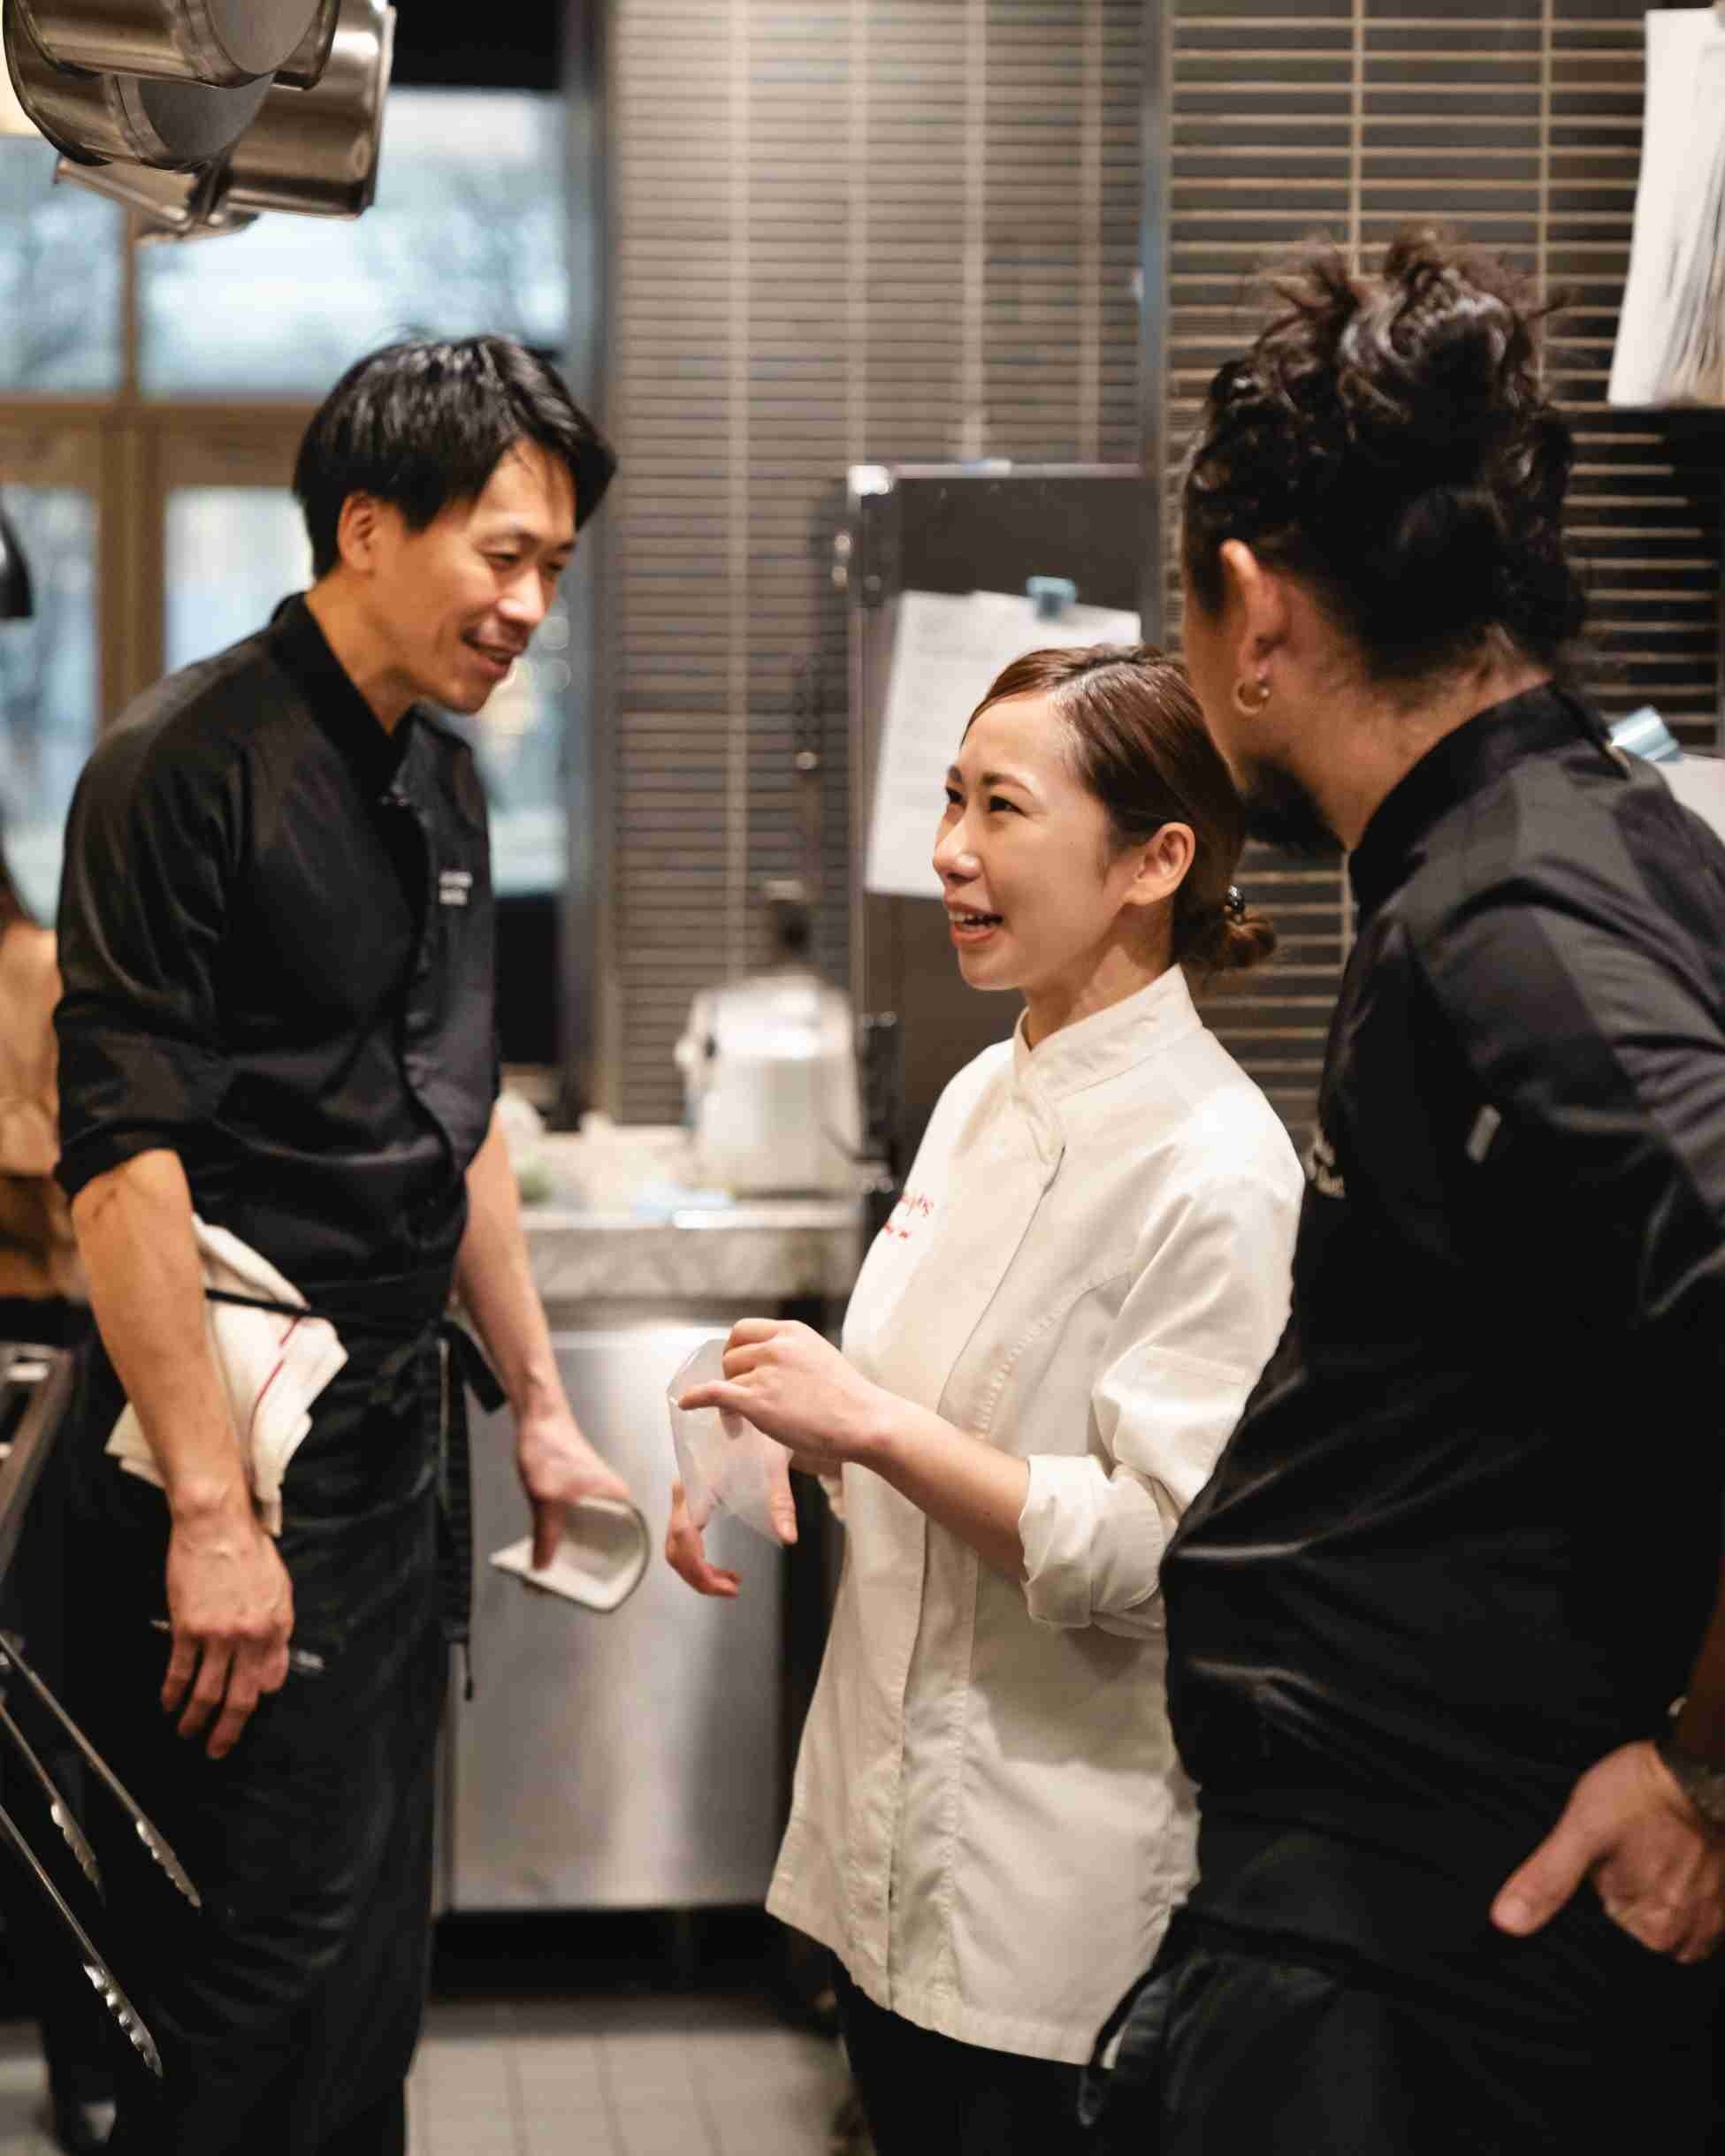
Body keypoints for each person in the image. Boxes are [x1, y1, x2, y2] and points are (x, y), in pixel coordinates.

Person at [1085, 233, 1725, 2152]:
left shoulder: (1510, 914)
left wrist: (1703, 1759)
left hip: (1444, 1959)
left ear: (1254, 614)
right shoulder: (1570, 843)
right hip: (1395, 1917)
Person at [51, 335, 631, 2155]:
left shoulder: (443, 782)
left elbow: (458, 1121)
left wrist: (541, 1402)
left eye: (555, 568)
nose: (532, 606)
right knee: (245, 1976)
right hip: (234, 1449)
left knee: (373, 1962)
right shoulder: (178, 765)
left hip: (397, 1455)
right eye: (505, 555)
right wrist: (214, 1515)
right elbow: (121, 1163)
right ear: (367, 526)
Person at [667, 646, 1303, 2155]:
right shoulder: (981, 1091)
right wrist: (788, 1423)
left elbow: (1165, 1552)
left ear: (1156, 861)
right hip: (888, 1862)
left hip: (1053, 1908)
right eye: (951, 799)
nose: (950, 848)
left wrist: (872, 1427)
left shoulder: (1218, 1167)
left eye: (1001, 808)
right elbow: (928, 1413)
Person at [0, 836, 115, 2155]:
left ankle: (86, 2052)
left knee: (34, 1719)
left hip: (33, 1354)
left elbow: (83, 1163)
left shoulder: (37, 968)